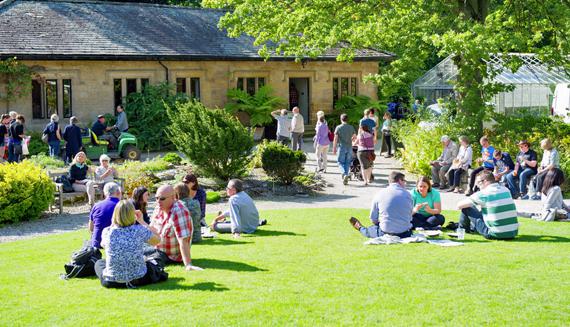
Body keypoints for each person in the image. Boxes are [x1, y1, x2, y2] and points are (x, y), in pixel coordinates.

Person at [94, 200, 165, 288]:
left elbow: (104, 245)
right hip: (139, 279)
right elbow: (158, 240)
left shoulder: (107, 232)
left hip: (112, 281)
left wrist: (114, 222)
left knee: (99, 263)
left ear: (115, 214)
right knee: (156, 257)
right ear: (132, 214)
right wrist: (142, 221)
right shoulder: (139, 230)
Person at [149, 185, 202, 271]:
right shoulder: (158, 208)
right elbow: (151, 230)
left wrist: (188, 264)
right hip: (157, 249)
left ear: (173, 197)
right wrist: (140, 221)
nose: (158, 201)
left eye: (162, 198)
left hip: (170, 256)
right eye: (156, 198)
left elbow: (184, 240)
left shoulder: (179, 211)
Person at [349, 171, 413, 238]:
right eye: (404, 181)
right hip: (405, 232)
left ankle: (359, 227)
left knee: (369, 230)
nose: (405, 184)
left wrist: (379, 223)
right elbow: (410, 215)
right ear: (400, 181)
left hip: (385, 231)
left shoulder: (380, 193)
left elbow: (373, 218)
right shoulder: (408, 194)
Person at [456, 170, 519, 239]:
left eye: (478, 183)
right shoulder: (506, 190)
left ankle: (461, 230)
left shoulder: (484, 194)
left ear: (485, 181)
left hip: (494, 234)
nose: (477, 185)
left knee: (467, 208)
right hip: (513, 233)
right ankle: (468, 228)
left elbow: (459, 205)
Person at [89, 182, 121, 249]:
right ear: (118, 192)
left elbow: (91, 228)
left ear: (104, 193)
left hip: (97, 241)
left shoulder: (96, 206)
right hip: (116, 242)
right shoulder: (122, 206)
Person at [332, 113, 356, 185]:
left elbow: (335, 139)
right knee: (348, 162)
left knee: (340, 162)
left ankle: (344, 174)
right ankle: (345, 175)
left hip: (342, 146)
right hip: (349, 147)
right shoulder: (351, 127)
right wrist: (350, 139)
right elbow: (355, 137)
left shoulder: (338, 127)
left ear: (341, 119)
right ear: (347, 119)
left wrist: (334, 148)